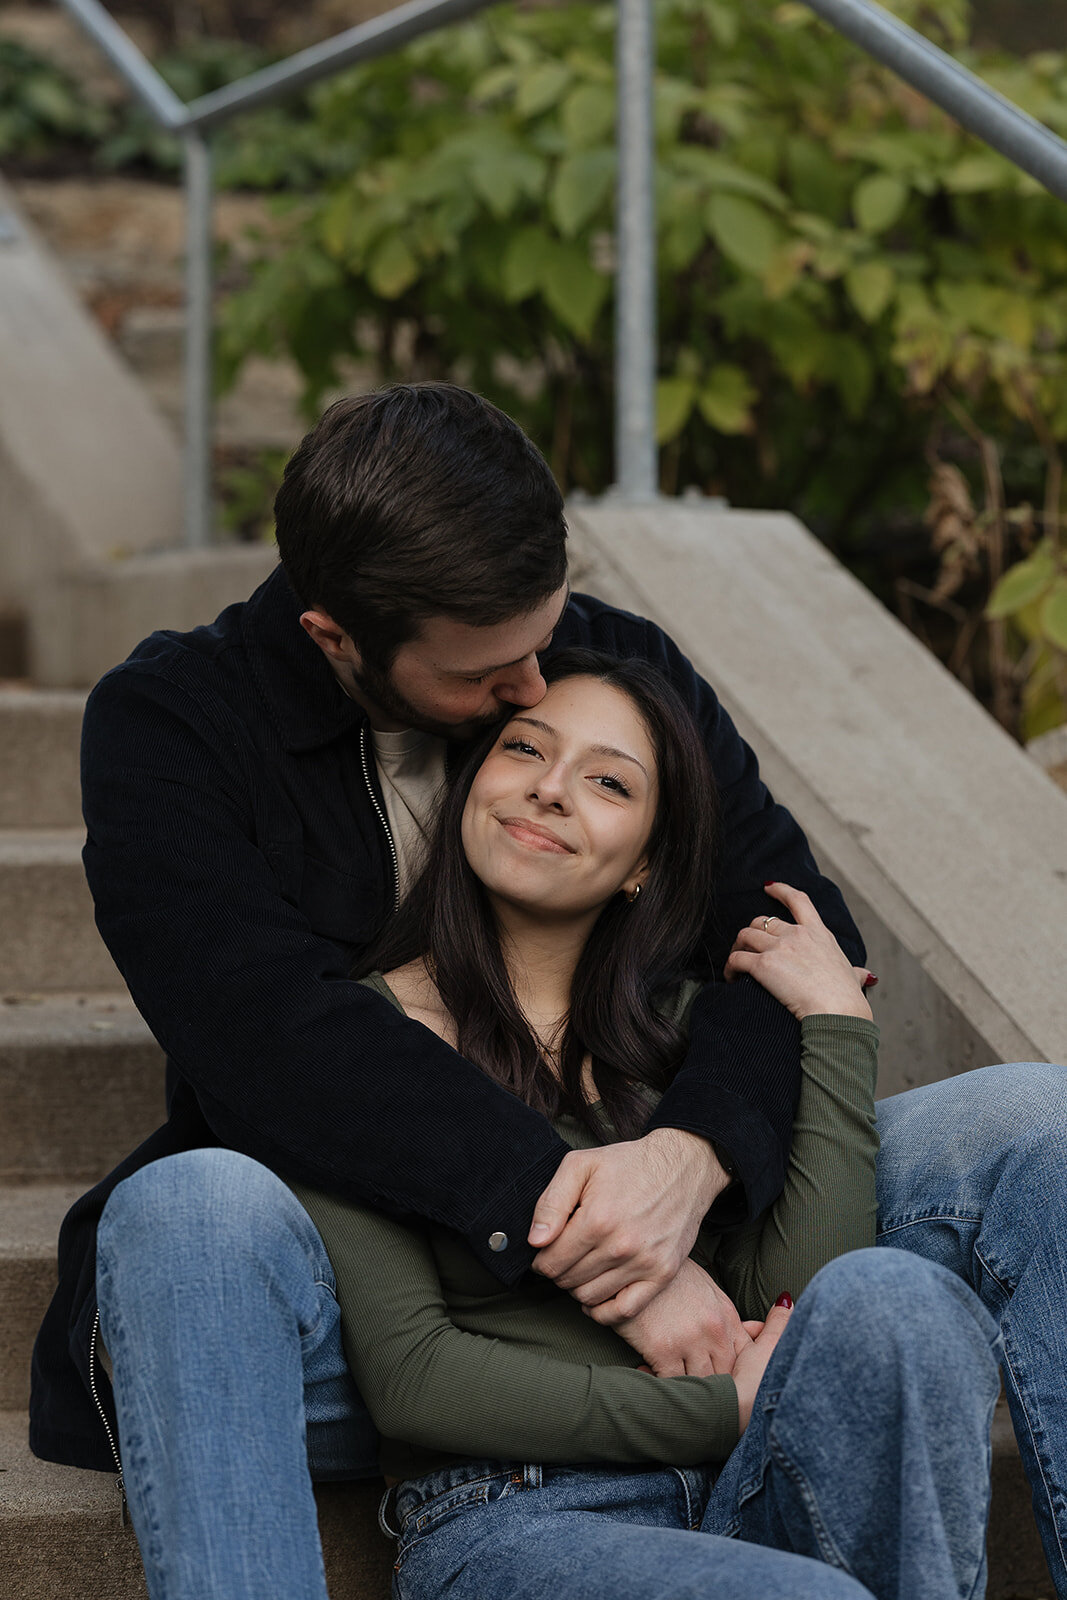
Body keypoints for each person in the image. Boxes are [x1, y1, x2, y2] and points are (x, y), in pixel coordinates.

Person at [28, 383, 1067, 1599]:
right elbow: (274, 1042)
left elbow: (785, 917)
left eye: (545, 632)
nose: (535, 686)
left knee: (1038, 1131)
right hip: (380, 1292)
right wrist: (598, 1237)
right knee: (185, 1210)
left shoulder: (601, 663)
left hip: (666, 1189)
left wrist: (687, 1159)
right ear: (334, 637)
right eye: (489, 682)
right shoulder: (177, 725)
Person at [277, 650, 1001, 1600]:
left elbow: (793, 1305)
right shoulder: (353, 1038)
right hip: (516, 1516)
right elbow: (415, 1379)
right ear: (470, 790)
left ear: (647, 862)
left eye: (607, 781)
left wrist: (835, 1025)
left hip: (746, 1491)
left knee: (898, 1295)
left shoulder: (693, 1043)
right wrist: (719, 1411)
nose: (549, 791)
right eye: (524, 751)